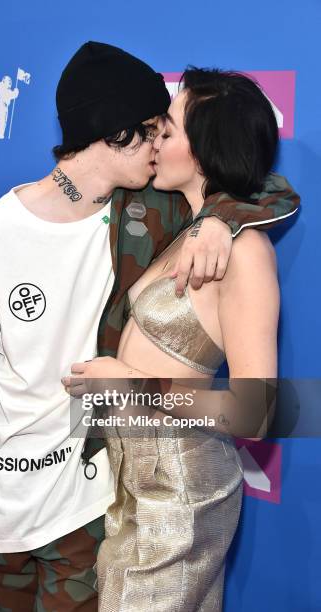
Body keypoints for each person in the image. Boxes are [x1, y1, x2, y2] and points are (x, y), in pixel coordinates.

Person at [0, 44, 299, 611]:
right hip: (45, 501)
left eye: (169, 127)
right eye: (153, 128)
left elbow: (262, 187)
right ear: (118, 132)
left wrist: (223, 218)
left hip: (124, 501)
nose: (159, 141)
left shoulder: (165, 220)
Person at [63, 67, 286, 611]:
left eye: (170, 129)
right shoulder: (189, 229)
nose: (154, 139)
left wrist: (135, 384)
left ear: (209, 148)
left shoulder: (245, 252)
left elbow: (257, 412)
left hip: (182, 493)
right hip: (135, 482)